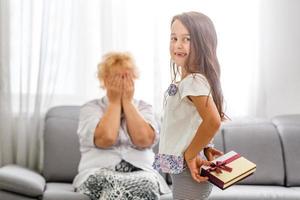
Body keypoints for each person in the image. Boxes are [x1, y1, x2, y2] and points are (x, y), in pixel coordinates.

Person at [73, 52, 171, 200]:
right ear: (105, 79)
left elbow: (143, 140)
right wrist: (114, 103)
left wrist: (127, 103)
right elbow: (105, 139)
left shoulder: (145, 108)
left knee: (146, 184)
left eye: (126, 77)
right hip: (97, 171)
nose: (122, 82)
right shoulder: (90, 108)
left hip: (142, 172)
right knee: (111, 184)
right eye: (116, 77)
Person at [153, 11, 226, 200]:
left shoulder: (193, 81)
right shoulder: (189, 80)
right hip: (185, 167)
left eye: (187, 39)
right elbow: (193, 122)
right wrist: (205, 146)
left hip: (188, 167)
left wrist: (192, 155)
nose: (178, 44)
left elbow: (212, 121)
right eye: (174, 38)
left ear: (203, 43)